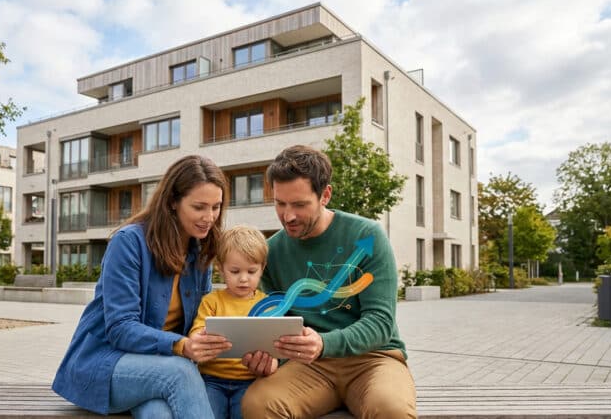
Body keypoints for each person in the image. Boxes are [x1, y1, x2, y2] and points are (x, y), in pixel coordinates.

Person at [241, 145, 417, 418]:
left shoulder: (367, 237)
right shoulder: (271, 252)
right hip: (308, 365)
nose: (288, 216)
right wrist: (269, 357)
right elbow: (280, 323)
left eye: (299, 205)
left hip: (374, 359)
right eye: (280, 203)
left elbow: (381, 323)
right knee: (258, 403)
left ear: (325, 195)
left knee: (391, 409)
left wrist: (324, 343)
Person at [52, 155, 233, 418]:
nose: (209, 217)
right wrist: (182, 346)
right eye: (199, 207)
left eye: (216, 207)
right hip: (105, 364)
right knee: (180, 372)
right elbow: (120, 328)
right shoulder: (129, 243)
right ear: (173, 201)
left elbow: (198, 321)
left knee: (158, 413)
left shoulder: (200, 250)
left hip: (157, 369)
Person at [189, 225, 277, 419]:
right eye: (235, 271)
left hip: (250, 381)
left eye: (251, 271)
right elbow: (197, 333)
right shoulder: (211, 301)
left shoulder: (267, 306)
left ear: (262, 269)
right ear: (221, 268)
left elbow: (273, 346)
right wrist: (200, 338)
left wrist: (272, 363)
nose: (243, 279)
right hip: (211, 380)